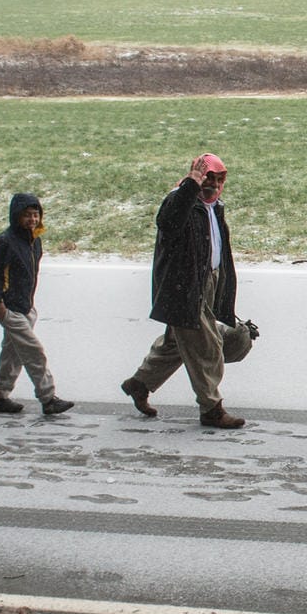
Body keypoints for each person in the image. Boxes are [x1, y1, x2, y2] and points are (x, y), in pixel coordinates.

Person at [120, 154, 245, 428]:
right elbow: (168, 222)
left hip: (207, 283)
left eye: (218, 178)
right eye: (207, 176)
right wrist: (191, 183)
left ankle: (139, 384)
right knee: (206, 346)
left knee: (178, 343)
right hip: (185, 286)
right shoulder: (181, 200)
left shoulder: (213, 206)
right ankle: (211, 408)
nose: (212, 183)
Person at [0, 193, 73, 416]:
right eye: (27, 215)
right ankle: (48, 398)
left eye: (36, 215)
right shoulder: (5, 242)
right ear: (16, 216)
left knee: (12, 354)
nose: (32, 220)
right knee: (34, 352)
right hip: (8, 307)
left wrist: (29, 305)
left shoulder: (34, 240)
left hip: (25, 307)